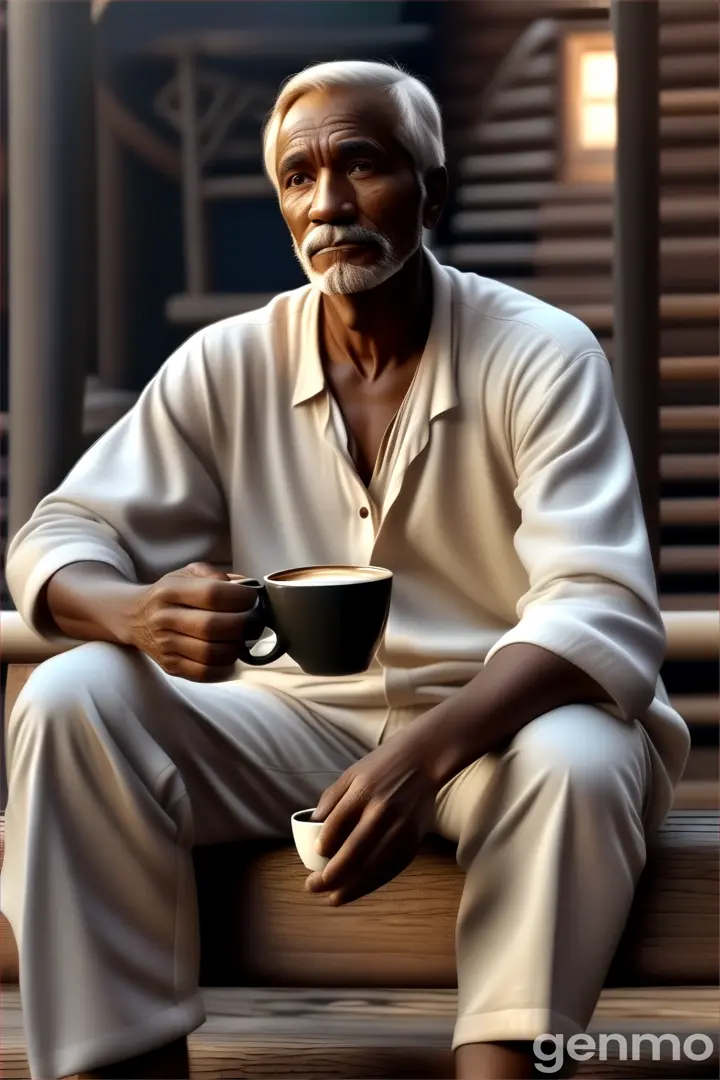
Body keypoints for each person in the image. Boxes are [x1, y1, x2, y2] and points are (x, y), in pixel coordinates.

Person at [2, 60, 690, 1080]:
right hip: (292, 721)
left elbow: (600, 607)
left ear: (434, 191)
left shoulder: (541, 354)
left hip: (498, 727)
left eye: (360, 165)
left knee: (583, 760)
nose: (326, 204)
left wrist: (421, 759)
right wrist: (136, 611)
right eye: (297, 175)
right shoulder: (225, 361)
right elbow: (57, 536)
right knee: (74, 692)